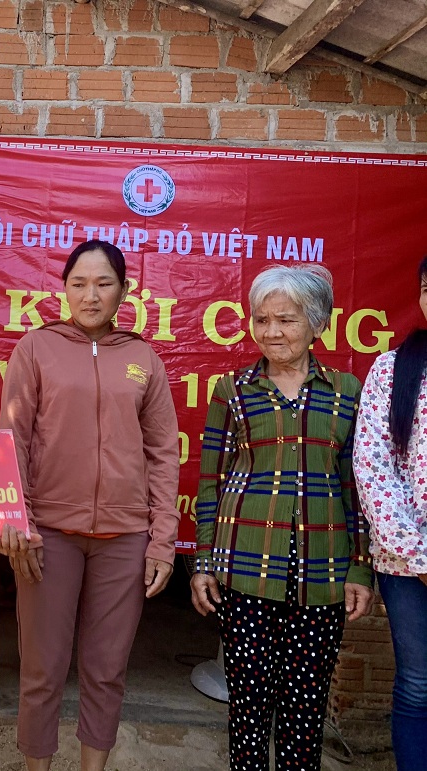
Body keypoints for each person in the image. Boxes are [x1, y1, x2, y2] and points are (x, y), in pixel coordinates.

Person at [0, 239, 180, 771]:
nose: (90, 295)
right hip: (48, 535)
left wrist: (161, 540)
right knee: (42, 670)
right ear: (64, 287)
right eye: (79, 283)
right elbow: (14, 441)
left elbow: (164, 454)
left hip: (124, 539)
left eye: (103, 284)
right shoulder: (35, 349)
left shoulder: (143, 358)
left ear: (125, 290)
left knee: (106, 669)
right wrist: (20, 522)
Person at [190, 264, 374, 771]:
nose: (272, 331)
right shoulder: (233, 391)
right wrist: (203, 562)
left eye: (287, 320)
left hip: (323, 575)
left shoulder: (347, 392)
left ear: (316, 323)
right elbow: (212, 482)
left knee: (304, 711)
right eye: (262, 319)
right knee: (248, 709)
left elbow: (357, 489)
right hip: (245, 570)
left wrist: (360, 568)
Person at [353, 255, 427, 771]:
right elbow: (373, 464)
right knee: (419, 685)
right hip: (408, 566)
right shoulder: (395, 367)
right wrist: (419, 555)